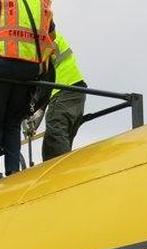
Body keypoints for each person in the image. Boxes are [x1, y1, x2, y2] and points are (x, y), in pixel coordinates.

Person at [0, 0, 55, 185]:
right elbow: (52, 36)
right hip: (30, 70)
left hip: (2, 65)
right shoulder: (43, 3)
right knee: (12, 122)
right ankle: (13, 170)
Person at [41, 32, 85, 160]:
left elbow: (38, 69)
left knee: (55, 132)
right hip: (75, 90)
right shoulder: (52, 35)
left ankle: (62, 172)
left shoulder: (43, 38)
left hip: (64, 89)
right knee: (59, 139)